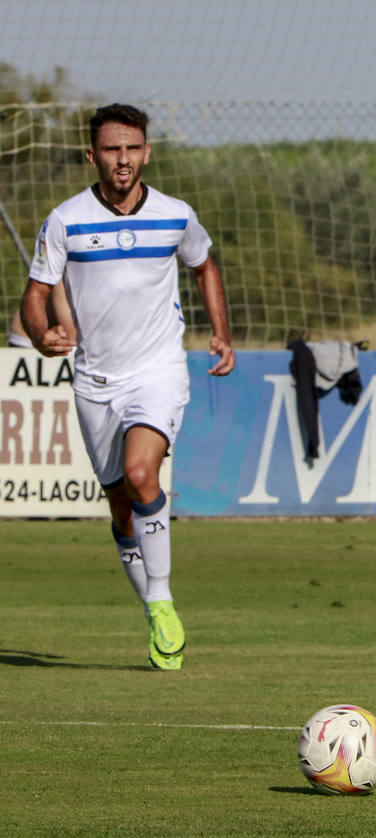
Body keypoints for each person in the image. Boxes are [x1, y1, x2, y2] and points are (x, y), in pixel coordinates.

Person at [21, 103, 235, 671]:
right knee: (121, 509)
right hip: (94, 380)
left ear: (147, 151)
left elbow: (205, 265)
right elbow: (35, 294)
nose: (123, 159)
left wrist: (221, 334)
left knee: (144, 475)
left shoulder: (174, 214)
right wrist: (44, 335)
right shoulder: (65, 220)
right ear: (93, 156)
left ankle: (162, 600)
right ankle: (153, 611)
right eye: (112, 150)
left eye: (132, 148)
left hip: (158, 370)